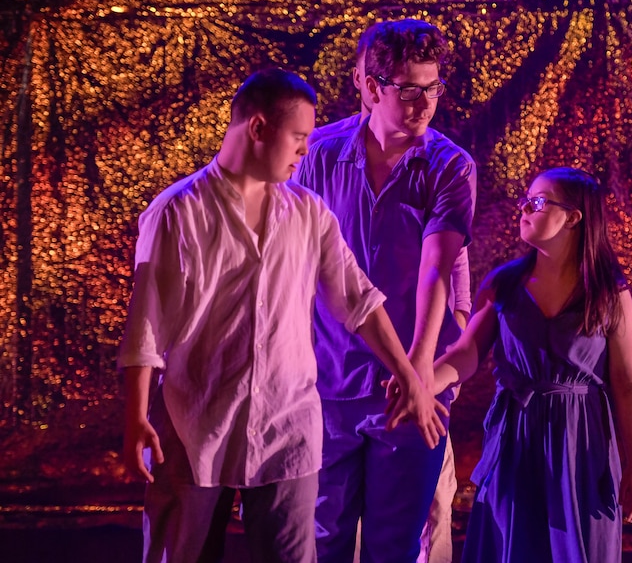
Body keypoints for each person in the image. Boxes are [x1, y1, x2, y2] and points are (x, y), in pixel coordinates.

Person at [118, 67, 445, 563]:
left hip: (285, 426)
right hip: (195, 424)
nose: (304, 151)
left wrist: (410, 377)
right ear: (257, 128)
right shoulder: (178, 212)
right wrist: (136, 416)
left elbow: (359, 301)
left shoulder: (307, 213)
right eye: (297, 137)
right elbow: (146, 324)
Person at [295, 19, 474, 562]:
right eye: (410, 89)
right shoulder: (316, 156)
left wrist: (418, 373)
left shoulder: (450, 166)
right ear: (370, 86)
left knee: (395, 546)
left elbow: (436, 270)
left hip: (407, 389)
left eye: (434, 88)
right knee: (322, 542)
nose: (425, 103)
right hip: (327, 385)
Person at [426, 167, 632, 562]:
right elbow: (466, 353)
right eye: (525, 200)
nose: (525, 209)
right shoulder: (505, 284)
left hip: (581, 444)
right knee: (511, 544)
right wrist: (421, 382)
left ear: (574, 217)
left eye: (539, 202)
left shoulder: (609, 294)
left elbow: (627, 384)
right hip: (517, 437)